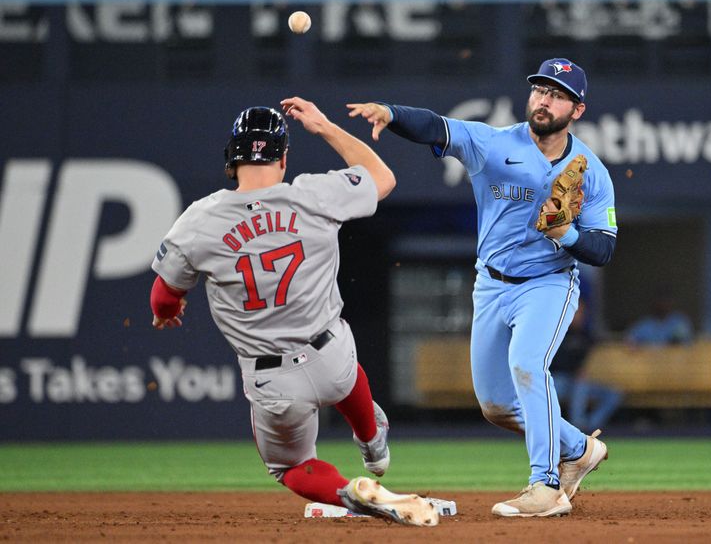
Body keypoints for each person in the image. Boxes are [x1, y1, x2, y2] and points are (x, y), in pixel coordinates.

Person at [149, 99, 438, 527]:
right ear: (283, 158)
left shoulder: (199, 220)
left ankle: (347, 491)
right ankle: (373, 440)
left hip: (272, 380)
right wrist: (324, 128)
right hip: (330, 353)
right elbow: (383, 177)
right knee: (345, 362)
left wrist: (167, 311)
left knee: (291, 467)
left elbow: (163, 296)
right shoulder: (315, 194)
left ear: (231, 157)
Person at [348, 57, 617, 517]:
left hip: (548, 283)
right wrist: (390, 114)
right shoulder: (494, 144)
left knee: (528, 365)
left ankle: (545, 486)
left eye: (557, 94)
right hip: (491, 284)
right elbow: (436, 127)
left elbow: (603, 248)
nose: (544, 99)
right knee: (496, 405)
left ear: (577, 109)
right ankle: (580, 450)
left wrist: (566, 235)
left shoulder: (590, 171)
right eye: (539, 89)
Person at [551, 299, 623, 432]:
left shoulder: (586, 335)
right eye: (576, 312)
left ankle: (590, 425)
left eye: (582, 312)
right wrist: (575, 372)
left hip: (580, 382)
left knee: (614, 394)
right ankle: (577, 426)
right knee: (580, 383)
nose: (579, 316)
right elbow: (553, 363)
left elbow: (602, 342)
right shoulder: (555, 333)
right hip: (558, 381)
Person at [626, 290, 693, 346]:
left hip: (673, 360)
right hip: (648, 360)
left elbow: (685, 343)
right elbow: (629, 342)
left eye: (667, 300)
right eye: (661, 300)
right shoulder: (644, 324)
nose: (663, 304)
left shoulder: (679, 321)